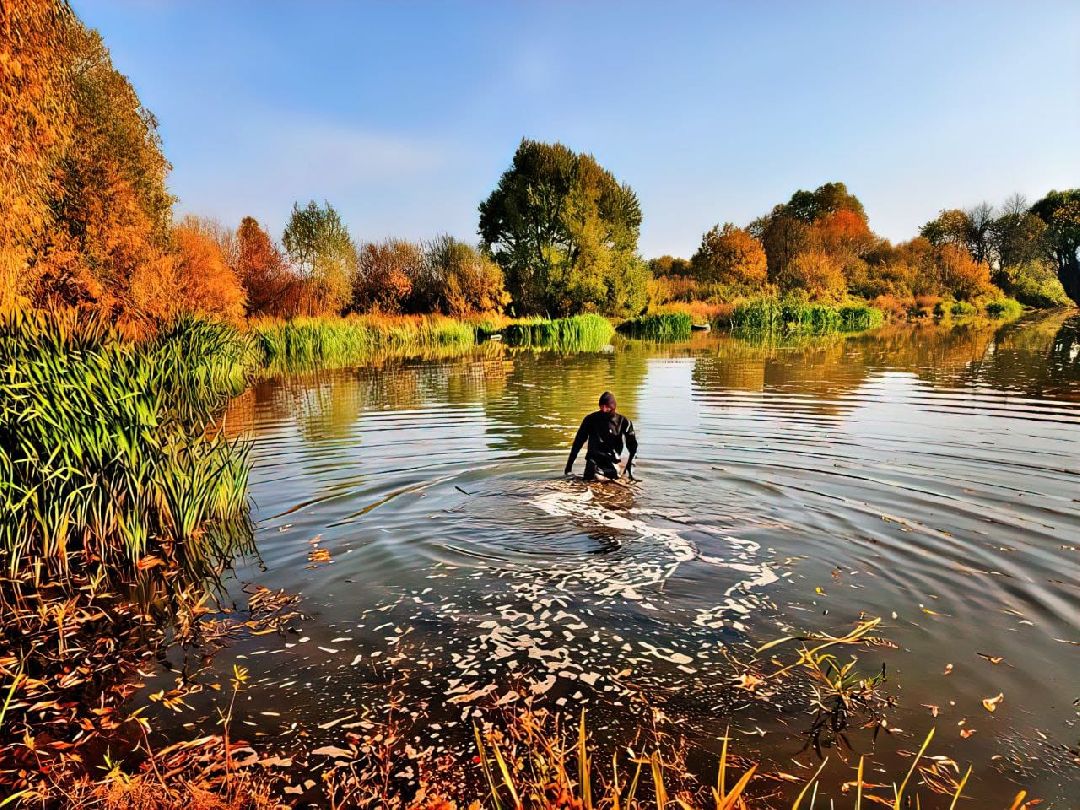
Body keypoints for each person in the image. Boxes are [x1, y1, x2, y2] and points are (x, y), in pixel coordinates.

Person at [564, 391, 637, 482]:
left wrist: (630, 471)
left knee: (612, 481)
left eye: (607, 407)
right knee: (592, 475)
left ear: (613, 406)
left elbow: (633, 448)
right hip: (593, 460)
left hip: (612, 461)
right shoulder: (590, 420)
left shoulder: (623, 422)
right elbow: (578, 443)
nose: (603, 410)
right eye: (601, 406)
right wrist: (569, 466)